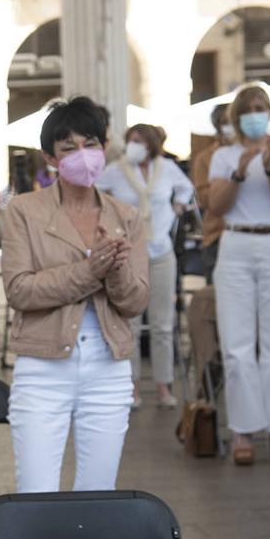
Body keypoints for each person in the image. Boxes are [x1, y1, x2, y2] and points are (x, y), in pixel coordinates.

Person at [0, 97, 148, 539]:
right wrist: (90, 269)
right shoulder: (26, 211)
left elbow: (136, 301)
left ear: (104, 148)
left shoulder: (123, 213)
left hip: (108, 365)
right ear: (50, 158)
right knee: (35, 496)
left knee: (97, 499)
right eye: (70, 148)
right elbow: (20, 290)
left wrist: (113, 272)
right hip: (44, 363)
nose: (83, 156)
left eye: (91, 145)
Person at [206, 84, 270, 466]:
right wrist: (241, 171)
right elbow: (217, 205)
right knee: (237, 343)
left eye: (261, 107)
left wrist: (269, 166)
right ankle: (243, 430)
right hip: (236, 246)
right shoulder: (223, 156)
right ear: (237, 117)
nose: (255, 114)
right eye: (249, 108)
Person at [97, 124, 193, 408]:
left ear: (151, 144)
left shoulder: (167, 167)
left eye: (138, 141)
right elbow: (95, 195)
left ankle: (164, 385)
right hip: (129, 252)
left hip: (161, 250)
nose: (133, 146)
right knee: (131, 323)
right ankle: (133, 385)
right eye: (130, 141)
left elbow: (187, 187)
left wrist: (179, 204)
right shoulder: (116, 169)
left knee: (164, 323)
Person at [191, 103, 233, 282]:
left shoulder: (261, 153)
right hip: (218, 236)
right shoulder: (205, 159)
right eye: (225, 122)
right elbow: (207, 200)